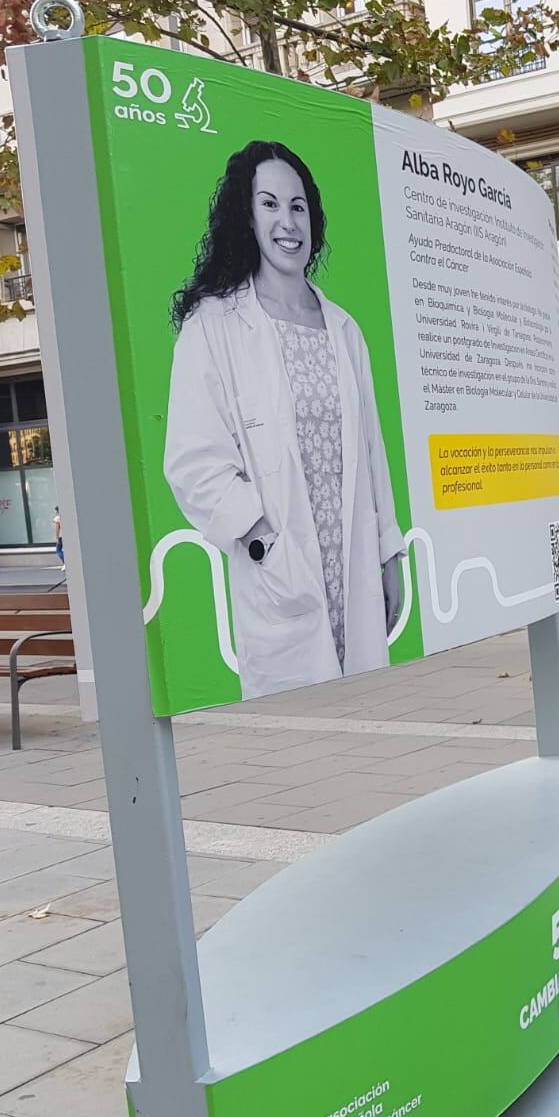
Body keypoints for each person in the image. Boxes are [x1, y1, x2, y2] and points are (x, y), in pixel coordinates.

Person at [165, 140, 404, 701]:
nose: (287, 222)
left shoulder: (343, 328)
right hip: (281, 572)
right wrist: (264, 545)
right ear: (245, 217)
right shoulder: (215, 325)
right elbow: (194, 461)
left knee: (367, 726)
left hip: (355, 566)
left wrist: (388, 554)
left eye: (298, 207)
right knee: (302, 741)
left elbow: (372, 453)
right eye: (269, 204)